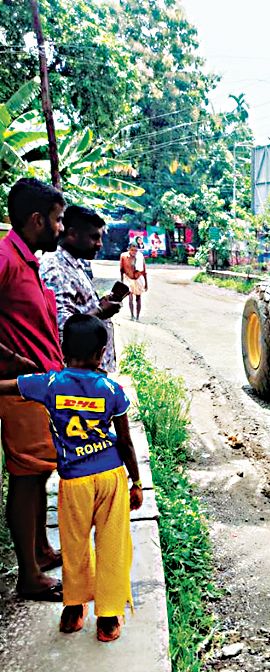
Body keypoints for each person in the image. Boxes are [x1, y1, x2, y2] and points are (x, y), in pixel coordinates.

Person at [0, 314, 144, 641]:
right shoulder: (112, 390)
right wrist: (135, 482)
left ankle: (73, 610)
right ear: (100, 353)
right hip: (110, 477)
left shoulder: (49, 384)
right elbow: (125, 442)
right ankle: (107, 619)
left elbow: (8, 387)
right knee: (112, 544)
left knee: (75, 544)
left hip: (74, 481)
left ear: (64, 349)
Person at [0, 177, 65, 601]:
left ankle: (40, 549)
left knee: (38, 473)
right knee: (25, 478)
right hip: (20, 391)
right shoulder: (4, 258)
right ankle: (28, 575)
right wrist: (7, 355)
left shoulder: (27, 261)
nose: (61, 228)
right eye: (58, 221)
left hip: (39, 389)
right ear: (37, 220)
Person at [40, 205, 123, 373]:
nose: (99, 244)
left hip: (90, 372)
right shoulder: (55, 268)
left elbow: (77, 309)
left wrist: (100, 305)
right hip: (78, 376)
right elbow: (64, 328)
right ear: (72, 234)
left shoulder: (73, 263)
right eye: (94, 237)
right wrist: (100, 311)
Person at [120, 242, 147, 321]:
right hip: (128, 279)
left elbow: (144, 271)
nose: (134, 252)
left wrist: (146, 284)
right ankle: (132, 315)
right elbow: (121, 269)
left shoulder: (140, 257)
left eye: (135, 250)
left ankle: (137, 316)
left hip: (138, 279)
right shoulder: (124, 256)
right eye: (132, 250)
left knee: (138, 298)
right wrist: (122, 282)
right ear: (129, 249)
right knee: (130, 297)